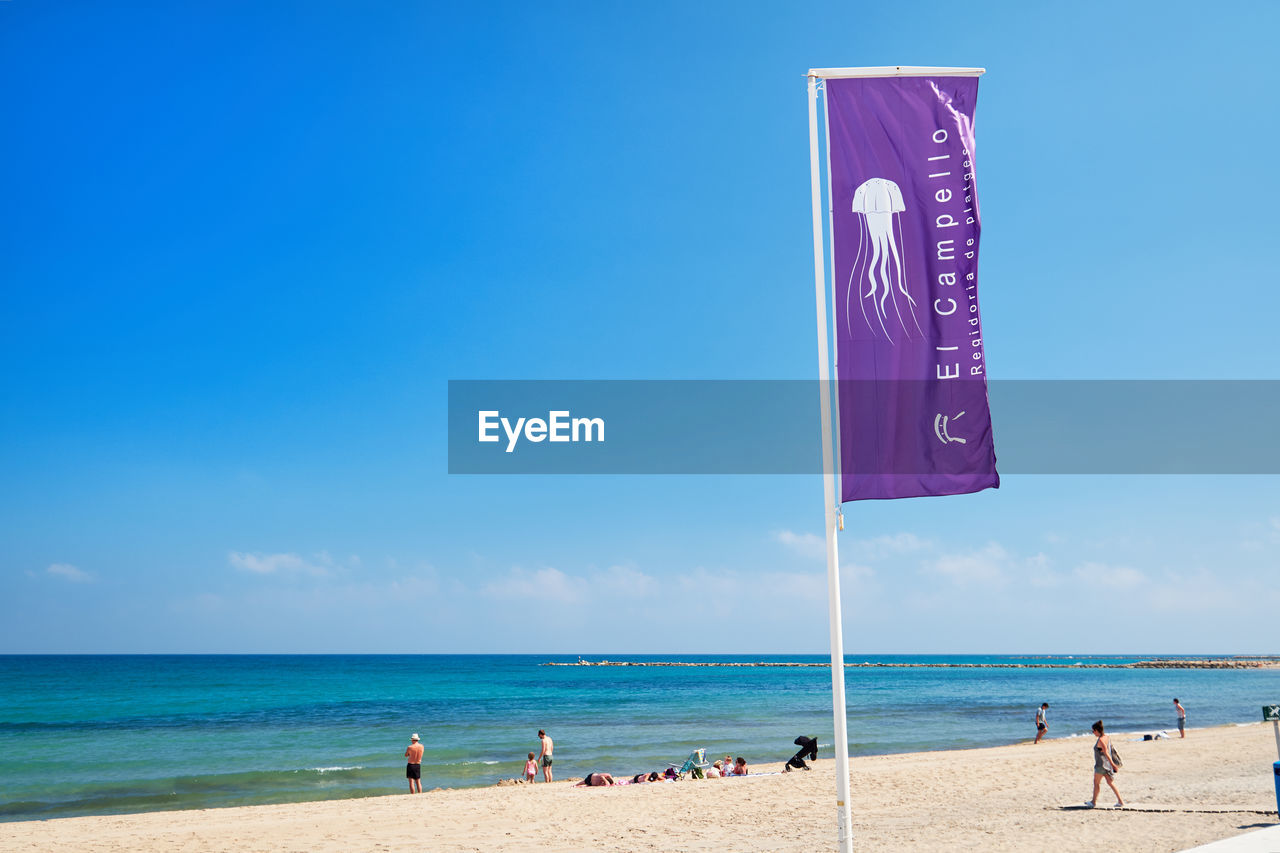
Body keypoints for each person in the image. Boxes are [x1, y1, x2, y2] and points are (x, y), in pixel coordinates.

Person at [1085, 720, 1123, 808]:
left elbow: (1106, 753)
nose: (1093, 733)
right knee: (1110, 783)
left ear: (1097, 730)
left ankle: (1093, 802)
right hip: (1107, 766)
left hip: (1101, 766)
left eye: (1093, 731)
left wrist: (1114, 765)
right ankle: (1120, 801)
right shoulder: (1107, 737)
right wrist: (1111, 765)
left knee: (1096, 783)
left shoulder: (1101, 740)